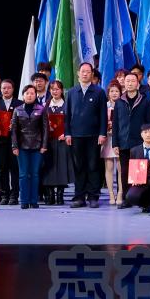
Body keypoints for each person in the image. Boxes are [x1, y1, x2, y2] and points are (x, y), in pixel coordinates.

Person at [67, 62, 108, 208]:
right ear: (78, 73)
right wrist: (67, 133)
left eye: (88, 71)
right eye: (82, 71)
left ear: (92, 74)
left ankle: (93, 196)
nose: (85, 74)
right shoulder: (71, 92)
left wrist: (102, 133)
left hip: (93, 135)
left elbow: (103, 115)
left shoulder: (99, 92)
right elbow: (67, 115)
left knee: (93, 166)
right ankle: (79, 196)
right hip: (76, 135)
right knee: (78, 166)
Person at [112, 72, 150, 209]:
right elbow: (115, 124)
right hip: (123, 142)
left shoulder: (145, 101)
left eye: (132, 81)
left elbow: (149, 123)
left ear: (138, 83)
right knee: (124, 172)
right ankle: (126, 199)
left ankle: (142, 200)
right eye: (127, 81)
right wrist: (115, 143)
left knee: (141, 172)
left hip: (140, 143)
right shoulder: (119, 102)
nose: (129, 83)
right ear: (124, 83)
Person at [10, 84, 48, 209]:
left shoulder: (41, 109)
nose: (30, 95)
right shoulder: (17, 110)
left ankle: (34, 200)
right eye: (27, 93)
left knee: (35, 174)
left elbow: (45, 129)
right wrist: (14, 146)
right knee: (23, 174)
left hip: (37, 146)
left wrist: (44, 145)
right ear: (23, 95)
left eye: (32, 93)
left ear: (36, 95)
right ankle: (24, 201)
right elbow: (14, 130)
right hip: (22, 147)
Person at [42, 80, 74, 205]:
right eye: (52, 89)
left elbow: (72, 122)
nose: (54, 91)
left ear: (62, 90)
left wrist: (66, 133)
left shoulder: (67, 105)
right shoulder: (45, 106)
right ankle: (50, 195)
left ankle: (60, 195)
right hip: (48, 141)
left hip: (62, 141)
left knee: (61, 167)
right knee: (48, 168)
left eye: (57, 89)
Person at [0, 79, 19, 204]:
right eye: (3, 88)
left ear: (13, 89)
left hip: (14, 141)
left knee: (15, 168)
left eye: (8, 88)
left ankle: (14, 195)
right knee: (1, 168)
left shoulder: (19, 103)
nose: (6, 90)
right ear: (0, 90)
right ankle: (3, 195)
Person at [101, 82, 123, 206]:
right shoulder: (104, 106)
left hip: (120, 139)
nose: (114, 93)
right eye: (112, 91)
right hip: (108, 139)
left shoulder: (123, 105)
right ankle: (110, 193)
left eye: (116, 91)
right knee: (109, 167)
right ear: (108, 93)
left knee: (120, 168)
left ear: (120, 92)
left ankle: (120, 193)